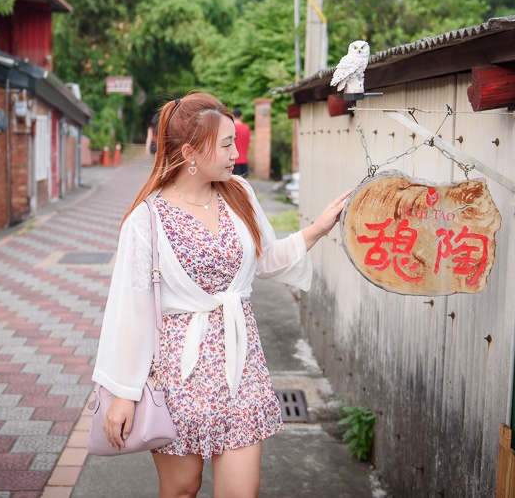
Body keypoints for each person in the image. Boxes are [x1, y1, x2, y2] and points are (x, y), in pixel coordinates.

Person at [92, 92, 352, 498]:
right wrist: (124, 394)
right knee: (182, 487)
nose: (236, 151)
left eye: (235, 141)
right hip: (178, 372)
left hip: (240, 363)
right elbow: (131, 308)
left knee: (240, 492)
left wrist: (317, 228)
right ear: (192, 152)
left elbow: (264, 262)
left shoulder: (239, 194)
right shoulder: (147, 219)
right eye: (227, 143)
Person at [232, 108, 251, 177]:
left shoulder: (231, 127)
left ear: (232, 116)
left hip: (233, 160)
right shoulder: (246, 128)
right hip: (244, 160)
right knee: (244, 182)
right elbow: (249, 144)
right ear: (241, 117)